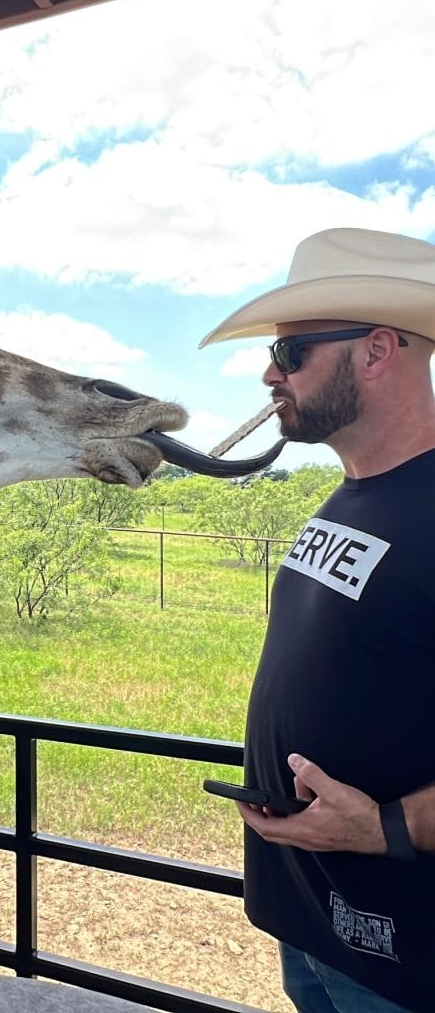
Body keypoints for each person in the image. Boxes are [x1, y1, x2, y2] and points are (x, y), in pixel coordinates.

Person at [199, 227, 435, 1013]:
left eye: (291, 352)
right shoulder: (348, 493)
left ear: (373, 352)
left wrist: (389, 828)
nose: (270, 373)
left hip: (403, 951)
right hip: (306, 916)